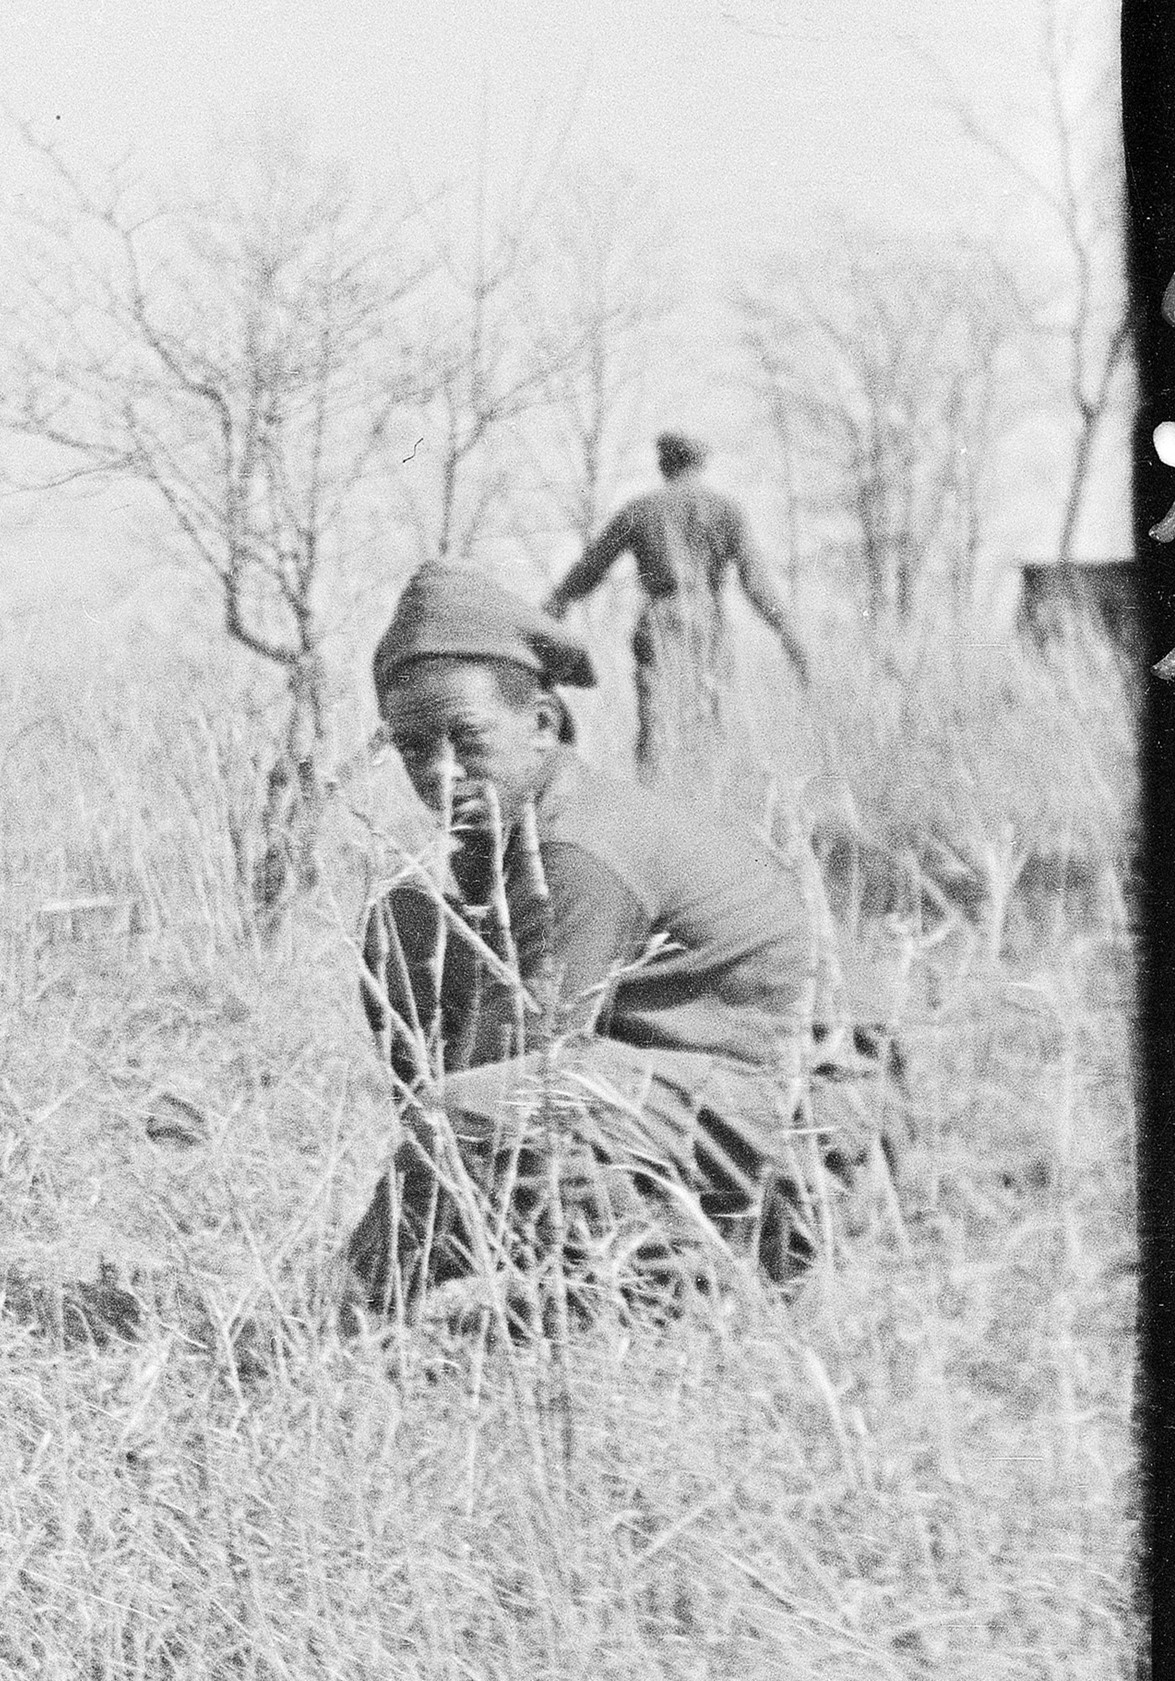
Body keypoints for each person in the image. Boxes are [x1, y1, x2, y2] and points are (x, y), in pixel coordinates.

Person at [339, 560, 887, 1323]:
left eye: (466, 740)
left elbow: (502, 1076)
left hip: (802, 1135)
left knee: (472, 1115)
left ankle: (674, 1281)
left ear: (540, 725)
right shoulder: (517, 825)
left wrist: (352, 1289)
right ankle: (580, 1247)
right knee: (403, 926)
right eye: (411, 749)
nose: (440, 774)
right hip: (695, 1098)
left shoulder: (579, 849)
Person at [550, 434, 809, 777]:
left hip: (659, 619)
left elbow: (592, 567)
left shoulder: (640, 508)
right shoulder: (726, 509)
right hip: (708, 620)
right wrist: (787, 631)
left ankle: (654, 803)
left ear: (663, 464)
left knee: (655, 723)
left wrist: (558, 601)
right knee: (712, 716)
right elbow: (756, 581)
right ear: (701, 464)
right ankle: (707, 799)